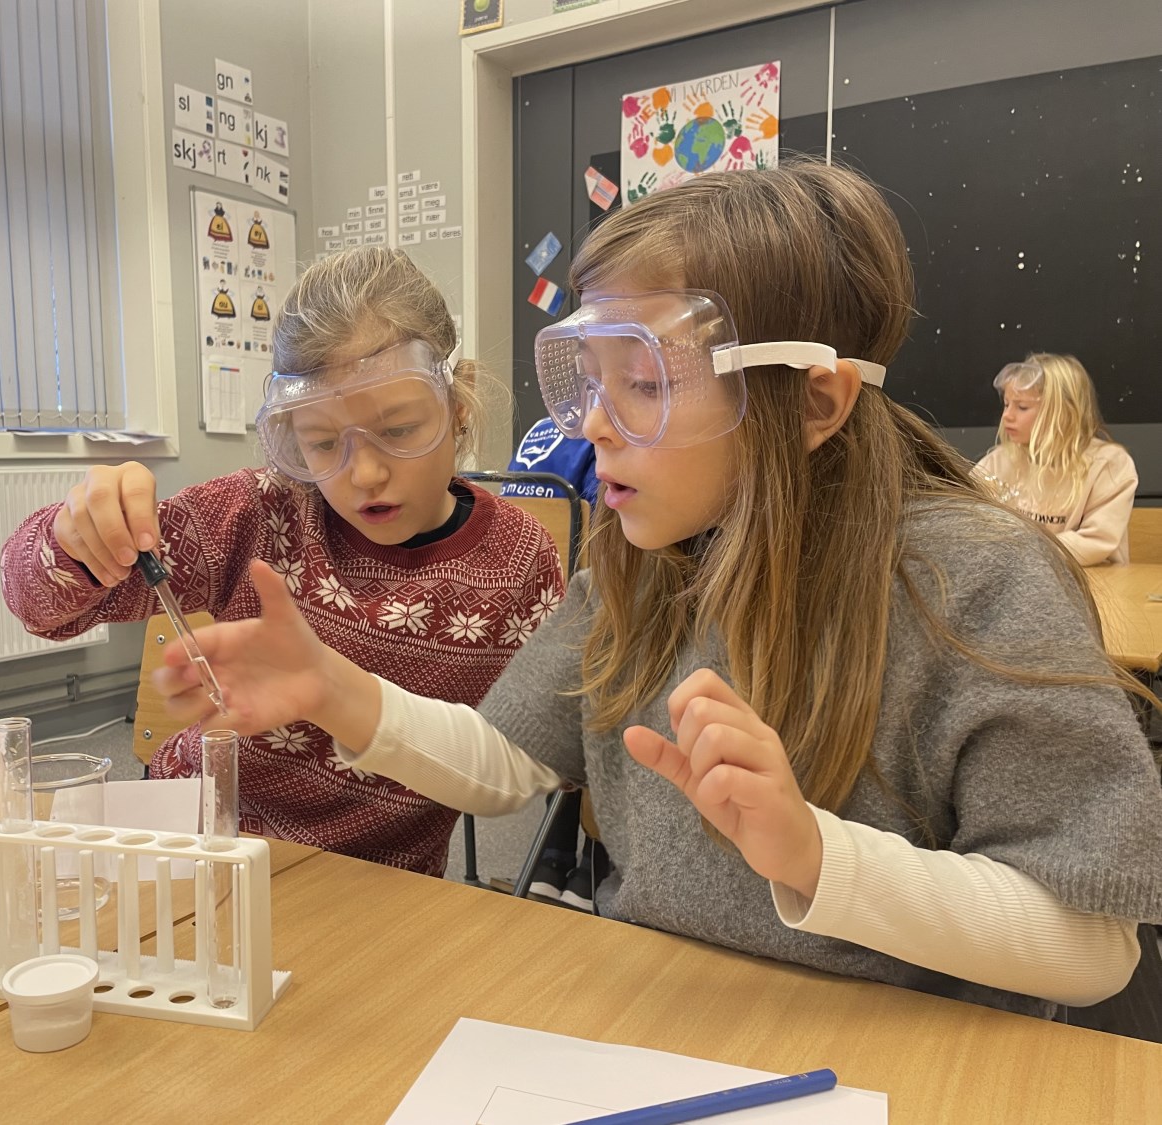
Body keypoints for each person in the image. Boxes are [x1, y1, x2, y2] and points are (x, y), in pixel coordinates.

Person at [154, 161, 1162, 1018]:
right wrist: (337, 691)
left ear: (813, 401)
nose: (594, 424)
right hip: (667, 1010)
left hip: (902, 1057)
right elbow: (508, 764)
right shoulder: (640, 559)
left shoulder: (980, 578)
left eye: (641, 383)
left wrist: (816, 853)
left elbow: (1090, 945)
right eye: (588, 380)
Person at [1, 247, 565, 876]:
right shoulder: (262, 510)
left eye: (399, 430)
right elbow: (40, 609)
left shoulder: (518, 560)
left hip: (375, 884)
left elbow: (539, 757)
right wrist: (73, 537)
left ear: (457, 406)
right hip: (202, 846)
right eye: (322, 443)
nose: (365, 473)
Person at [501, 417, 604, 907]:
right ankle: (594, 864)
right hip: (587, 609)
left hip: (525, 612)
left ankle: (552, 856)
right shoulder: (610, 434)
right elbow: (607, 535)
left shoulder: (539, 431)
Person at [974, 354, 1138, 565]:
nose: (1007, 416)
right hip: (1019, 579)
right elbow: (967, 520)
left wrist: (1020, 551)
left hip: (1092, 581)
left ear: (1063, 413)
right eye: (1006, 404)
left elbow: (1096, 542)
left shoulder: (1109, 466)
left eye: (1022, 407)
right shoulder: (998, 462)